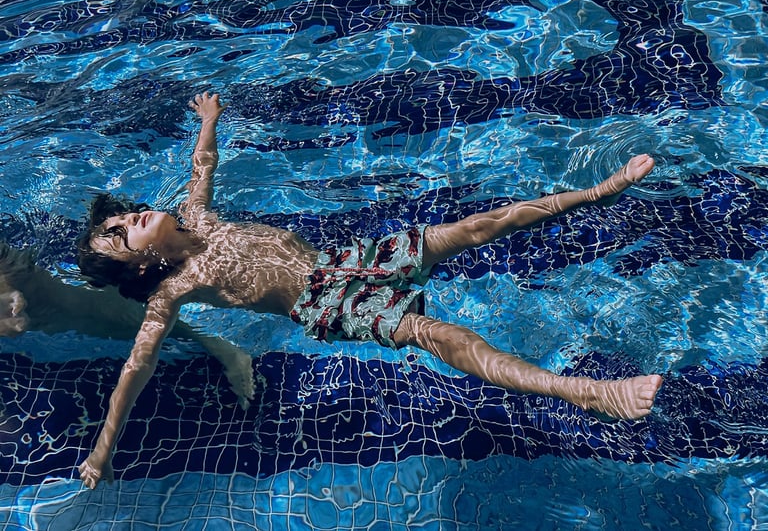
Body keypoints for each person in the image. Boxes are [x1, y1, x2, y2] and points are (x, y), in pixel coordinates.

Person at [75, 91, 663, 489]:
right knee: (441, 334)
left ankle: (596, 193)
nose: (129, 221)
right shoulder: (169, 293)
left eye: (120, 219)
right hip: (326, 302)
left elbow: (204, 163)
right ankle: (587, 392)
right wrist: (103, 451)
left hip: (347, 262)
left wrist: (208, 119)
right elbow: (136, 369)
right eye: (120, 236)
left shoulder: (194, 216)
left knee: (479, 225)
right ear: (142, 264)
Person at [0, 242, 255, 407]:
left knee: (75, 307)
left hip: (23, 282)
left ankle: (214, 341)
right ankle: (209, 339)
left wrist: (6, 285)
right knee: (65, 316)